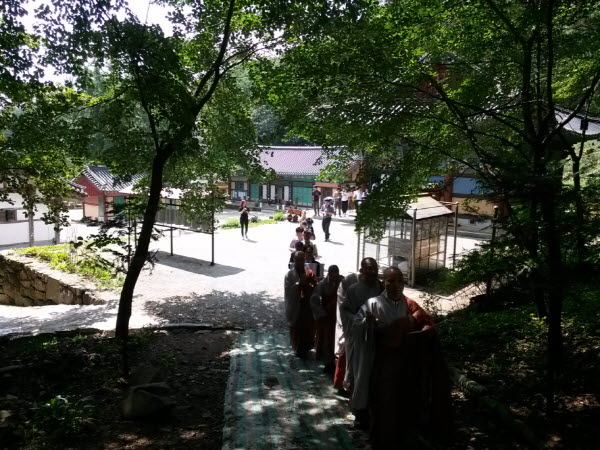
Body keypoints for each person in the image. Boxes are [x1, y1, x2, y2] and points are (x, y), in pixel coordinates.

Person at [351, 267, 450, 448]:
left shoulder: (409, 304)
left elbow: (426, 322)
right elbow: (356, 328)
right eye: (391, 281)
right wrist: (367, 323)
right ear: (384, 283)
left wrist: (424, 330)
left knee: (406, 401)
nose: (395, 285)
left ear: (403, 284)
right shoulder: (373, 304)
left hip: (407, 363)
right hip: (383, 363)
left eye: (399, 281)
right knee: (384, 402)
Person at [341, 257, 383, 429]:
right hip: (359, 339)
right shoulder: (353, 290)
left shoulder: (381, 287)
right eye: (369, 268)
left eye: (375, 268)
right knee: (359, 374)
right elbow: (345, 311)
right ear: (362, 270)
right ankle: (359, 411)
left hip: (377, 338)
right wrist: (362, 320)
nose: (372, 271)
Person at [311, 265, 344, 374]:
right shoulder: (322, 285)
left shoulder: (342, 282)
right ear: (329, 274)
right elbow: (314, 300)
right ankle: (329, 362)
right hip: (328, 317)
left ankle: (338, 362)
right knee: (327, 340)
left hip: (340, 316)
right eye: (332, 274)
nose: (335, 277)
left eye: (336, 274)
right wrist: (322, 313)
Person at [284, 251, 318, 358]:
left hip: (307, 306)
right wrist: (298, 284)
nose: (299, 262)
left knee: (308, 327)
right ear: (294, 260)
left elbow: (315, 287)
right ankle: (298, 348)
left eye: (301, 260)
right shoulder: (289, 275)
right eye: (297, 260)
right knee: (297, 328)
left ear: (304, 260)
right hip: (296, 305)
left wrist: (311, 285)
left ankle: (307, 347)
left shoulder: (309, 272)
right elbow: (288, 291)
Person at [333, 272, 359, 393]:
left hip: (358, 329)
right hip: (348, 326)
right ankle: (342, 384)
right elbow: (343, 307)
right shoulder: (347, 285)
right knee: (344, 354)